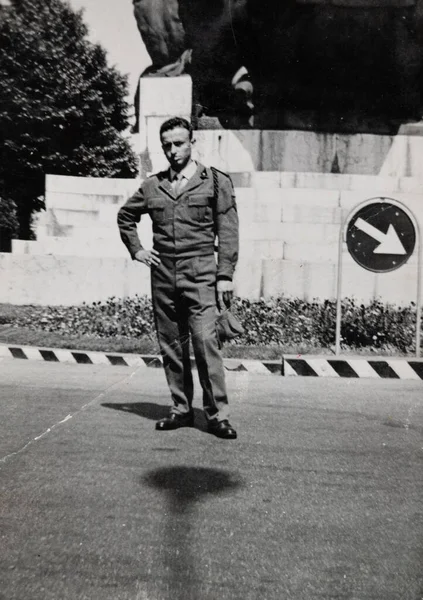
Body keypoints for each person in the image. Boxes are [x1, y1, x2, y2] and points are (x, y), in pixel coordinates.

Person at [117, 117, 239, 439]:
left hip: (200, 274)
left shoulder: (214, 181)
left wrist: (224, 275)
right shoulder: (152, 186)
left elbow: (227, 231)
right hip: (163, 275)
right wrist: (138, 250)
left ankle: (217, 416)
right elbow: (125, 216)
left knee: (204, 343)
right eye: (167, 145)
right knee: (171, 345)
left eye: (179, 143)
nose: (172, 151)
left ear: (192, 143)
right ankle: (181, 410)